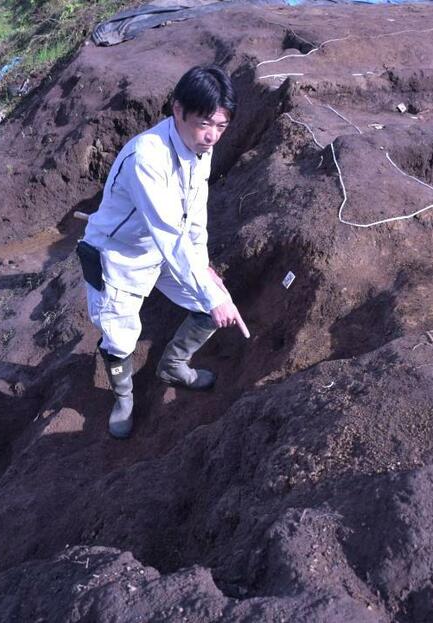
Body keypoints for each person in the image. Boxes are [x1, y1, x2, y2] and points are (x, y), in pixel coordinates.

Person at [76, 64, 248, 439]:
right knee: (120, 337)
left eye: (221, 126)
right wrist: (207, 285)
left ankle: (173, 365)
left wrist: (205, 271)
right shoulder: (147, 159)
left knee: (209, 306)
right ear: (177, 110)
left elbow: (194, 218)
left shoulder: (199, 148)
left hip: (163, 248)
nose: (212, 136)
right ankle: (123, 398)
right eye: (205, 123)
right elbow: (171, 236)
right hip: (118, 256)